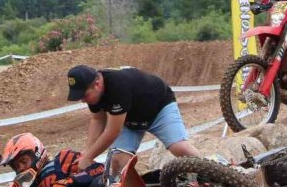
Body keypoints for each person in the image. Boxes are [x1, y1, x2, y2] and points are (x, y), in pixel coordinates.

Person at [67, 65, 199, 173]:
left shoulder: (117, 86)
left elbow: (113, 132)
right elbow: (97, 120)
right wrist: (87, 152)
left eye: (84, 95)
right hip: (129, 118)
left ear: (97, 84)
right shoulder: (93, 93)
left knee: (180, 149)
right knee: (118, 162)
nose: (83, 100)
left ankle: (213, 173)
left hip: (159, 108)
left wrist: (90, 157)